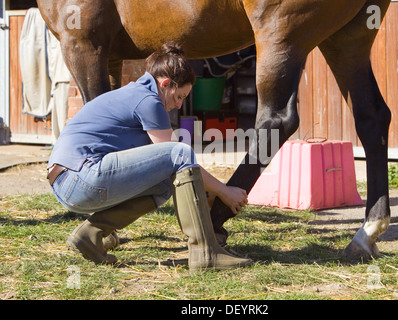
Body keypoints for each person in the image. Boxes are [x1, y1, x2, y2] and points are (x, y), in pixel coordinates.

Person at [47, 42, 252, 271]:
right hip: (80, 178)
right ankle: (205, 253)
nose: (178, 105)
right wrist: (224, 191)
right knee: (180, 150)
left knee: (164, 184)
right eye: (178, 96)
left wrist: (206, 190)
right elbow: (178, 157)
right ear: (164, 84)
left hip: (69, 182)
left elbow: (171, 169)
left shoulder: (136, 94)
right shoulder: (148, 101)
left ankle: (90, 235)